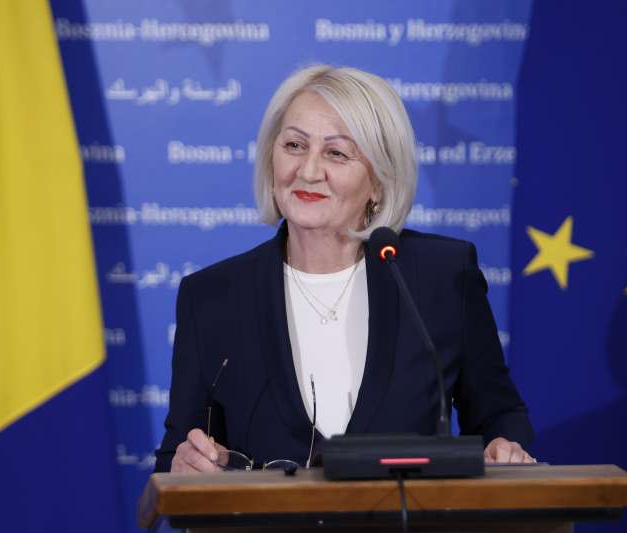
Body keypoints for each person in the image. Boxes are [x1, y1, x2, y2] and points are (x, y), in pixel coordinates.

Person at [155, 65, 534, 474]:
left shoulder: (440, 277)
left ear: (379, 182)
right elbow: (177, 456)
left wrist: (502, 444)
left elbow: (499, 415)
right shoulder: (212, 296)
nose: (308, 171)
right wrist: (185, 466)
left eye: (336, 153)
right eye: (295, 145)